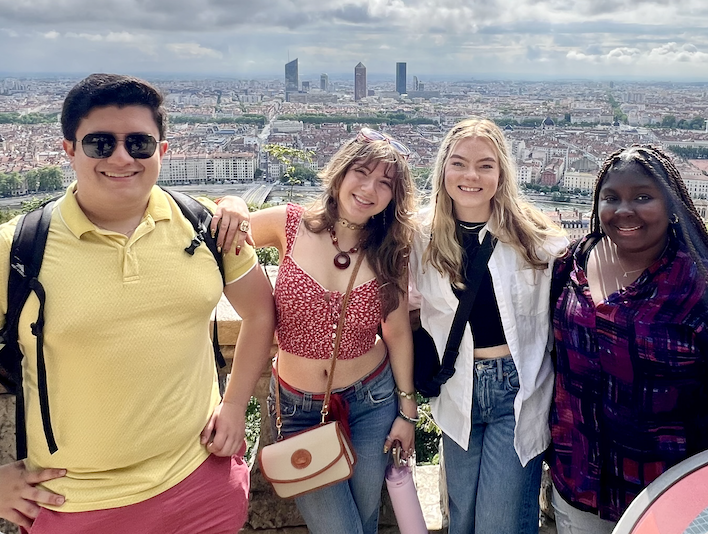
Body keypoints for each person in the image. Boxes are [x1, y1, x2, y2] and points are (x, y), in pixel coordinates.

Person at [0, 73, 275, 533]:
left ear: (162, 151)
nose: (122, 157)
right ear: (69, 149)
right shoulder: (19, 248)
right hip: (76, 502)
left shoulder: (205, 226)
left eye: (140, 144)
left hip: (202, 481)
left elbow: (261, 310)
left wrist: (233, 408)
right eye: (100, 144)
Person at [217, 127, 418, 534]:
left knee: (362, 522)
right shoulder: (290, 224)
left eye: (385, 183)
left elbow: (396, 332)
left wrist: (407, 411)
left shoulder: (391, 248)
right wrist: (233, 200)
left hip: (373, 401)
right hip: (298, 409)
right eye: (361, 172)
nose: (369, 189)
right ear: (341, 172)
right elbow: (223, 231)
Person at [409, 118, 567, 534]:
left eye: (485, 165)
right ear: (443, 170)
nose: (471, 176)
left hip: (514, 391)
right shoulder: (419, 237)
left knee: (500, 522)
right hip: (455, 387)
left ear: (502, 174)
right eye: (459, 163)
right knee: (460, 519)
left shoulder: (532, 236)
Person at [548, 145, 708, 533]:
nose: (624, 210)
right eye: (611, 197)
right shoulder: (571, 265)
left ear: (672, 206)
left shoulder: (697, 284)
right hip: (578, 479)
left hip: (667, 492)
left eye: (642, 197)